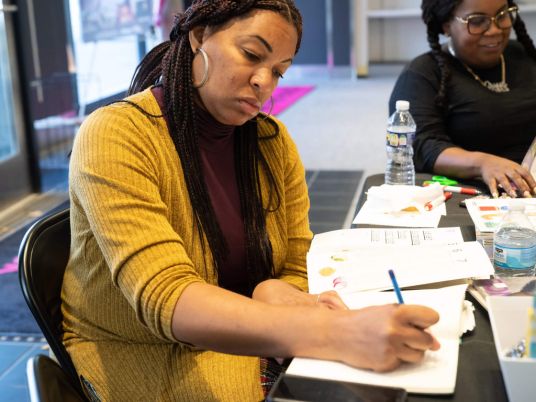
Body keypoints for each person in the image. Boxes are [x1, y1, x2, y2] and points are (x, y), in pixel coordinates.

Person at [62, 1, 440, 401]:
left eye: (279, 70)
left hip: (243, 334)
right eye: (251, 55)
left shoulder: (270, 142)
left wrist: (277, 292)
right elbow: (167, 297)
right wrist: (336, 333)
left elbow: (296, 261)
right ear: (199, 35)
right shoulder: (116, 134)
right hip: (141, 351)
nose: (265, 81)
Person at [389, 0, 536, 198]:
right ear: (447, 25)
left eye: (502, 15)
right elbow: (422, 145)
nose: (494, 30)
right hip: (472, 196)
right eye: (477, 21)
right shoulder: (424, 74)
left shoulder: (524, 57)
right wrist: (483, 163)